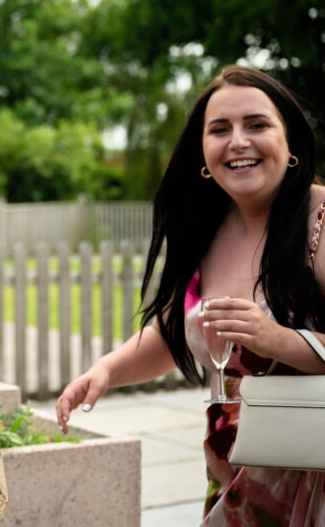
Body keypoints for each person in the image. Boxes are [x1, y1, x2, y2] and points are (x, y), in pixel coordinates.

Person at [56, 65, 325, 524]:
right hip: (233, 485)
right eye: (220, 129)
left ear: (291, 143)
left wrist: (277, 339)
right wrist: (105, 370)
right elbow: (177, 331)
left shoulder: (319, 223)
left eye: (257, 125)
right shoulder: (204, 232)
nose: (238, 141)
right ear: (203, 153)